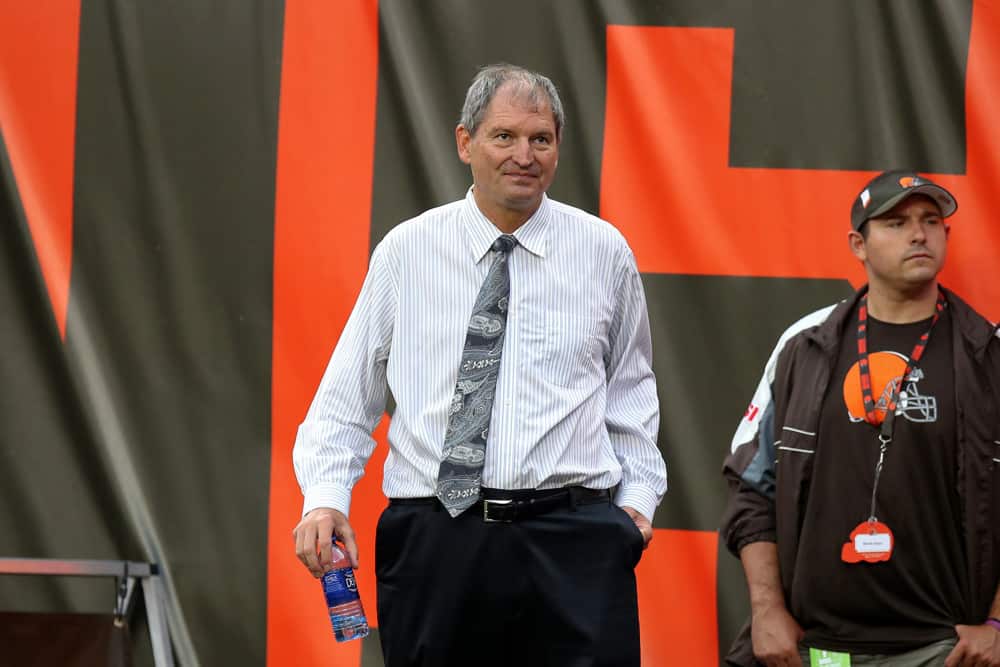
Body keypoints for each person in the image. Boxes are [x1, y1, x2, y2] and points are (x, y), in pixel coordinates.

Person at [292, 63, 666, 667]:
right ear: (465, 142)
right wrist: (325, 498)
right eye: (504, 136)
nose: (524, 154)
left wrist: (635, 508)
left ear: (558, 148)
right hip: (437, 541)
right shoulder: (406, 251)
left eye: (540, 139)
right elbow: (345, 400)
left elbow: (630, 390)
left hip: (573, 542)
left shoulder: (603, 251)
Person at [721, 170, 1000, 667]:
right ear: (859, 244)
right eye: (895, 222)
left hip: (946, 649)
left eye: (931, 221)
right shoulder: (805, 346)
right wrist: (766, 610)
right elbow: (751, 489)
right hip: (818, 646)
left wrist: (998, 624)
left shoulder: (988, 355)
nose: (918, 234)